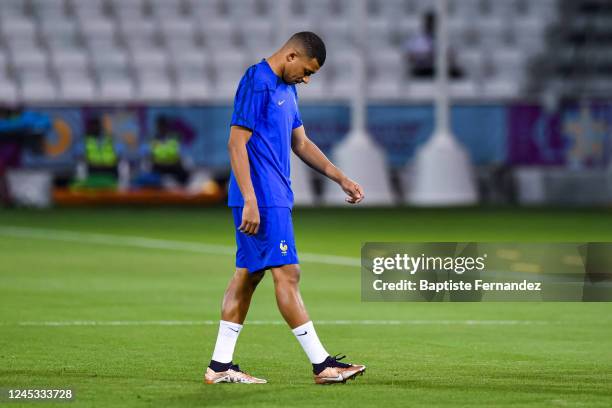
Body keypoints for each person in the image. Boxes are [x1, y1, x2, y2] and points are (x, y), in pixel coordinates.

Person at [205, 32, 366, 385]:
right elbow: (236, 143)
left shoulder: (287, 89)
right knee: (287, 273)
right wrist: (249, 197)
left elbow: (301, 143)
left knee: (248, 274)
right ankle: (322, 365)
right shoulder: (258, 81)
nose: (306, 79)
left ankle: (219, 366)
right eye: (306, 71)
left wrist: (340, 178)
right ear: (291, 55)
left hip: (273, 195)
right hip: (262, 197)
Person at [403, 10, 463, 78]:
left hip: (440, 69)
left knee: (457, 72)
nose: (431, 25)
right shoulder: (417, 40)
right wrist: (426, 57)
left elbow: (452, 56)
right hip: (422, 70)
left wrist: (435, 56)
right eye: (429, 23)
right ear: (425, 24)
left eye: (433, 23)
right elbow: (409, 56)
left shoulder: (445, 39)